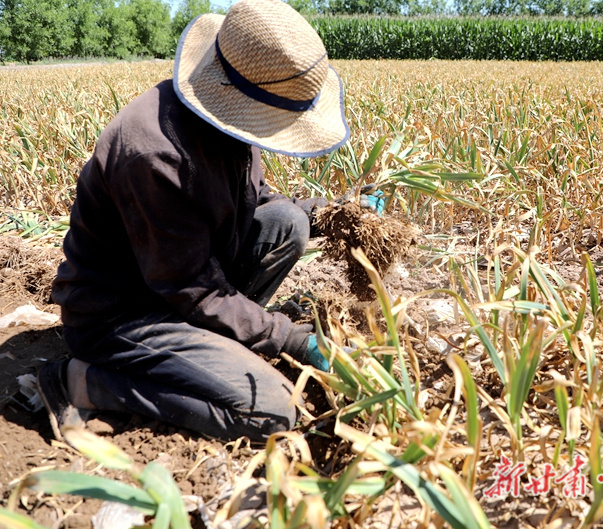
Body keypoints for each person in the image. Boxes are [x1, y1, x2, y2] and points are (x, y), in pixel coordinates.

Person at [37, 0, 366, 443]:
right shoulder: (155, 155)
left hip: (176, 285)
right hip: (122, 316)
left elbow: (256, 200)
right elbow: (196, 290)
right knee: (272, 411)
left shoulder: (225, 121)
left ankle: (217, 351)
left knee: (288, 222)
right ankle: (83, 382)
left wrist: (335, 212)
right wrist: (291, 339)